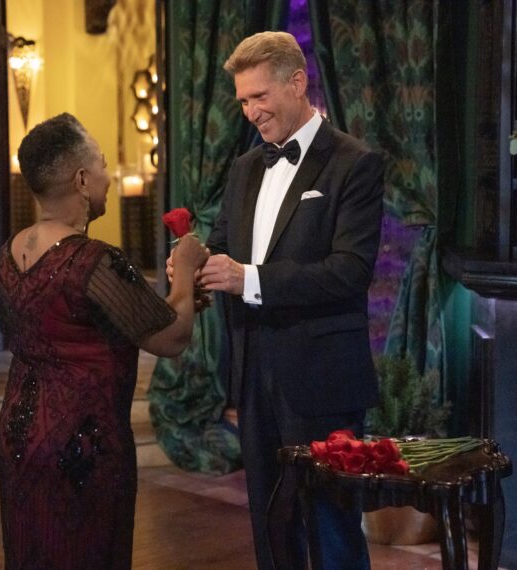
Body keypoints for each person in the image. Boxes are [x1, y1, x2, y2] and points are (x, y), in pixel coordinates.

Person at [199, 31, 384, 569]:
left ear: (297, 82)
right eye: (242, 101)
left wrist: (247, 280)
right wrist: (196, 268)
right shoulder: (243, 169)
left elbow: (350, 273)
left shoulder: (355, 163)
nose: (251, 112)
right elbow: (221, 247)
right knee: (271, 521)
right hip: (253, 373)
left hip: (323, 379)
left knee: (331, 523)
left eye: (260, 96)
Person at [0, 112, 208, 569]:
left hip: (18, 434)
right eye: (105, 167)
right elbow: (172, 338)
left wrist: (180, 299)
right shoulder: (94, 260)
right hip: (81, 444)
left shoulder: (11, 251)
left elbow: (77, 322)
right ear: (81, 178)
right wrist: (186, 267)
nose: (110, 179)